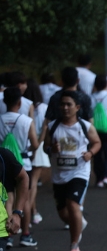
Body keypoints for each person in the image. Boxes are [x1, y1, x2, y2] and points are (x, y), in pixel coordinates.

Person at [44, 91, 101, 251]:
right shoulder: (53, 126)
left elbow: (97, 142)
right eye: (62, 104)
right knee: (63, 213)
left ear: (77, 107)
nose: (65, 107)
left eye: (69, 104)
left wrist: (90, 153)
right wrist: (51, 149)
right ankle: (78, 223)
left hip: (79, 172)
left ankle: (74, 244)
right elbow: (45, 146)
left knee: (73, 204)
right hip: (59, 174)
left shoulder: (85, 126)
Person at [0, 88, 38, 247]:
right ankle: (25, 234)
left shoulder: (0, 119)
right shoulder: (26, 121)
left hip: (3, 163)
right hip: (23, 162)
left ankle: (7, 233)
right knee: (25, 199)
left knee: (8, 196)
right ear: (20, 102)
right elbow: (35, 144)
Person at [25, 81, 49, 225]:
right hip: (39, 145)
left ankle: (30, 211)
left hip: (25, 145)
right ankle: (32, 212)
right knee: (33, 181)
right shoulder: (44, 108)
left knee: (26, 182)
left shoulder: (24, 106)